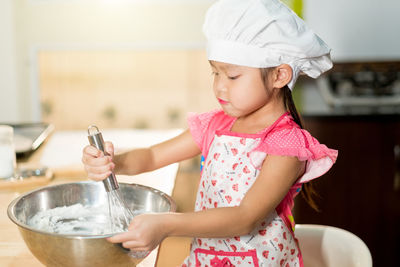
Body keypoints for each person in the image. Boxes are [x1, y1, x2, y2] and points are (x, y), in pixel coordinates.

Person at [82, 0, 338, 265]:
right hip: (207, 258)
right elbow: (151, 156)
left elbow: (244, 217)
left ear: (279, 75)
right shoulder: (217, 125)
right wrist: (114, 162)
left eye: (233, 76)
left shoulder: (286, 145)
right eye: (215, 73)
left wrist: (166, 225)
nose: (219, 88)